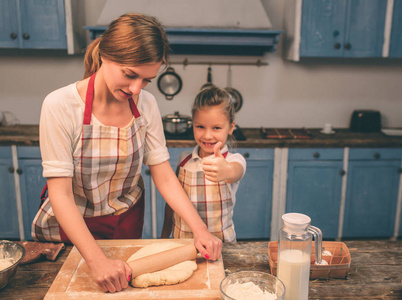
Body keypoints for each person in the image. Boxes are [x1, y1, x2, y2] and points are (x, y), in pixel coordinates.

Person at [31, 13, 222, 293]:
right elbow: (60, 194)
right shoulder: (60, 106)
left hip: (126, 220)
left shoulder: (147, 104)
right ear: (106, 56)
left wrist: (199, 229)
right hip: (73, 225)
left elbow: (163, 174)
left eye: (146, 80)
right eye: (130, 75)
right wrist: (96, 261)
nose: (135, 89)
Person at [161, 86, 246, 242]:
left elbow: (236, 171)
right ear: (192, 125)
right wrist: (164, 235)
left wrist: (225, 171)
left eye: (216, 128)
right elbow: (172, 203)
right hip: (182, 244)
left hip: (222, 247)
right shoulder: (184, 160)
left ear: (231, 128)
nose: (207, 135)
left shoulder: (233, 160)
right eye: (200, 127)